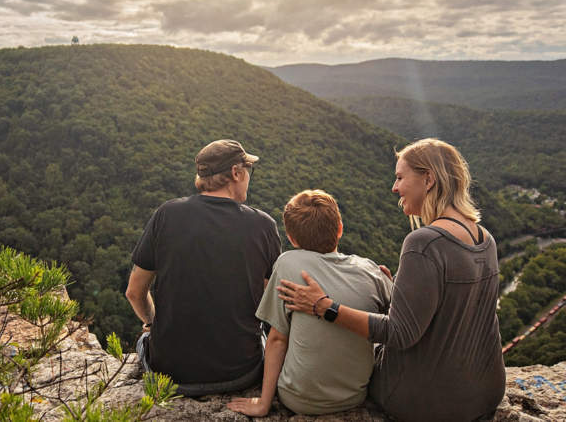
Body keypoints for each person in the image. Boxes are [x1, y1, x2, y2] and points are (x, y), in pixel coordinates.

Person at [277, 138, 505, 422]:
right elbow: (451, 311)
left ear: (429, 179)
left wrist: (325, 306)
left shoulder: (423, 243)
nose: (394, 187)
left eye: (400, 177)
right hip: (486, 391)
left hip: (427, 401)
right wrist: (397, 291)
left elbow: (400, 334)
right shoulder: (485, 238)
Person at [125, 139, 281, 396]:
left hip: (168, 375)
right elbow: (271, 303)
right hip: (239, 374)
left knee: (144, 339)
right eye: (248, 170)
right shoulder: (263, 225)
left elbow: (134, 292)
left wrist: (153, 323)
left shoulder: (166, 215)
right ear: (235, 173)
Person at [227, 190, 392, 416]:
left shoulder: (289, 263)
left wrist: (264, 403)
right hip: (354, 396)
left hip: (298, 399)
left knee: (269, 331)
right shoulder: (372, 271)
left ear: (292, 239)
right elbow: (392, 324)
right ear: (340, 229)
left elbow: (277, 340)